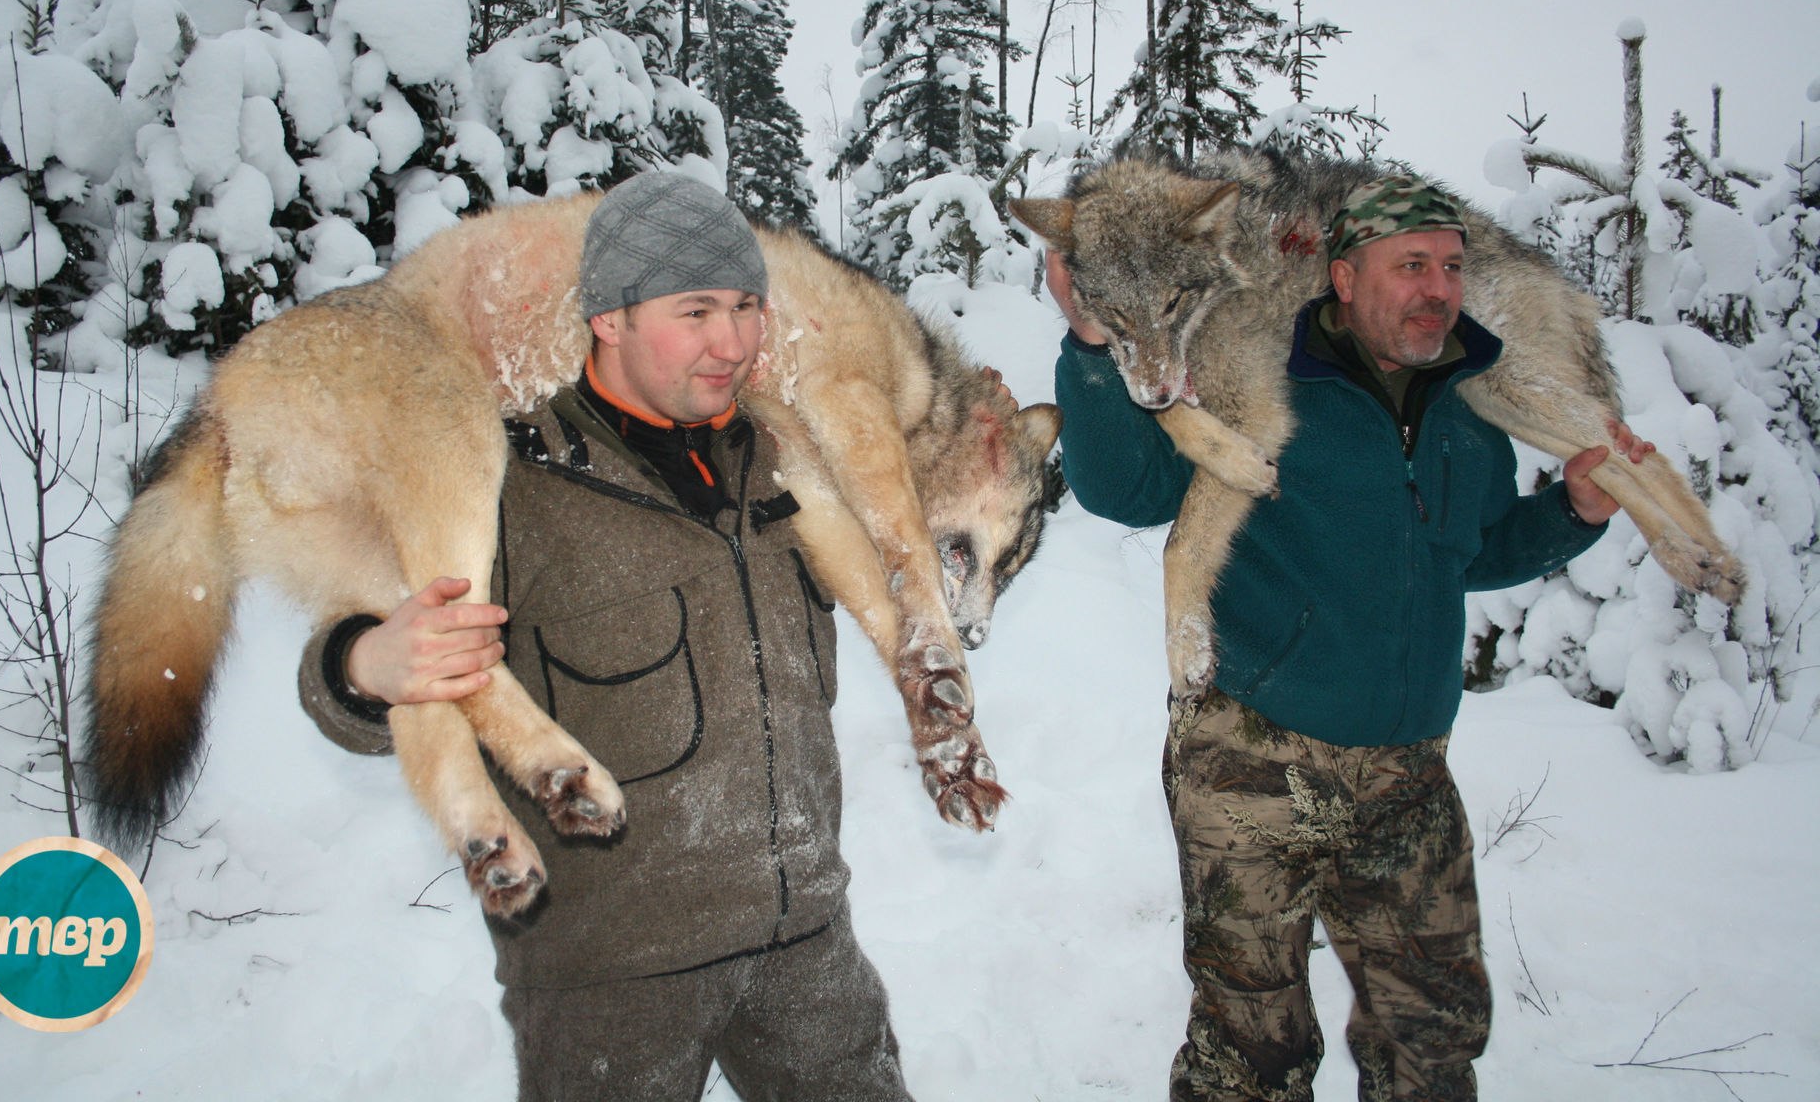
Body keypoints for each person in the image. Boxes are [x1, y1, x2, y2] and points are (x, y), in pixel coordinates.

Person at [298, 171, 914, 1102]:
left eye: (748, 306)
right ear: (609, 319)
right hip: (608, 979)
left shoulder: (784, 461)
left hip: (805, 941)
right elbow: (355, 655)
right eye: (695, 310)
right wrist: (363, 667)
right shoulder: (513, 478)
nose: (734, 340)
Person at [1046, 176, 1649, 1101]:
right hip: (1252, 755)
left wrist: (1571, 512)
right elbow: (1123, 488)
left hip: (1408, 771)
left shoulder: (1462, 401)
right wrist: (1092, 340)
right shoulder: (1258, 359)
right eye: (1411, 267)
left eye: (1450, 267)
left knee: (1434, 1036)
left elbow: (1470, 552)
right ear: (1343, 277)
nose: (1438, 289)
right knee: (1251, 1052)